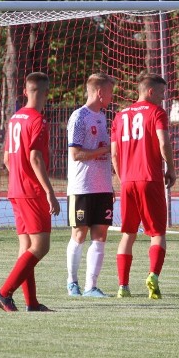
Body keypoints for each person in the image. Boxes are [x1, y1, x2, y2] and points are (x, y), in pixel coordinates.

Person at [0, 72, 60, 312]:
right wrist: (49, 192)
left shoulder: (15, 119)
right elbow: (35, 158)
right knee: (41, 247)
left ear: (25, 91)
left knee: (26, 247)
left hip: (16, 189)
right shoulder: (37, 120)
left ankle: (31, 302)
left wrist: (18, 180)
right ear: (46, 93)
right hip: (31, 191)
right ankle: (4, 293)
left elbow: (8, 159)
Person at [111, 73, 177, 299]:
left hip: (127, 181)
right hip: (149, 178)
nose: (163, 98)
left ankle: (122, 287)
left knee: (128, 234)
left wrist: (122, 178)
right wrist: (171, 167)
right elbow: (163, 141)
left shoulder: (119, 116)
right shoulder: (157, 113)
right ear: (150, 91)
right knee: (157, 233)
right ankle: (153, 276)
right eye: (161, 93)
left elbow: (114, 153)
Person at [65, 73, 116, 298]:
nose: (112, 96)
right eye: (110, 92)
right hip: (82, 187)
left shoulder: (103, 117)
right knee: (79, 234)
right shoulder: (79, 117)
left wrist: (110, 184)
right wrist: (105, 151)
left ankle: (91, 286)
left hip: (102, 187)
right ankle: (72, 282)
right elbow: (75, 154)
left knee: (101, 235)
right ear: (99, 93)